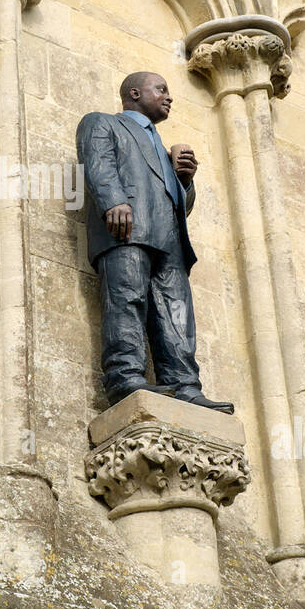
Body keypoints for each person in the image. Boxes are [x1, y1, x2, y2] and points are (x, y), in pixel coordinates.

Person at [77, 72, 233, 412]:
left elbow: (181, 206)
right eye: (160, 89)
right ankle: (125, 376)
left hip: (169, 242)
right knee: (127, 300)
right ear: (134, 93)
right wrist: (113, 202)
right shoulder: (102, 123)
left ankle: (185, 384)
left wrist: (184, 181)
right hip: (127, 231)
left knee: (177, 313)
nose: (169, 97)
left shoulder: (164, 149)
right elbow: (98, 165)